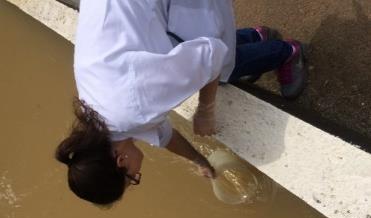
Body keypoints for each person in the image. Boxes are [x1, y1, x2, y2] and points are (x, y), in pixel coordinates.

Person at [55, 0, 306, 205]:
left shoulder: (134, 107)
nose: (136, 176)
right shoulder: (100, 117)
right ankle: (256, 36)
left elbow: (211, 55)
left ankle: (288, 53)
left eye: (133, 178)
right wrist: (199, 161)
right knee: (195, 52)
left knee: (223, 70)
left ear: (121, 161)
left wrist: (206, 109)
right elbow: (163, 136)